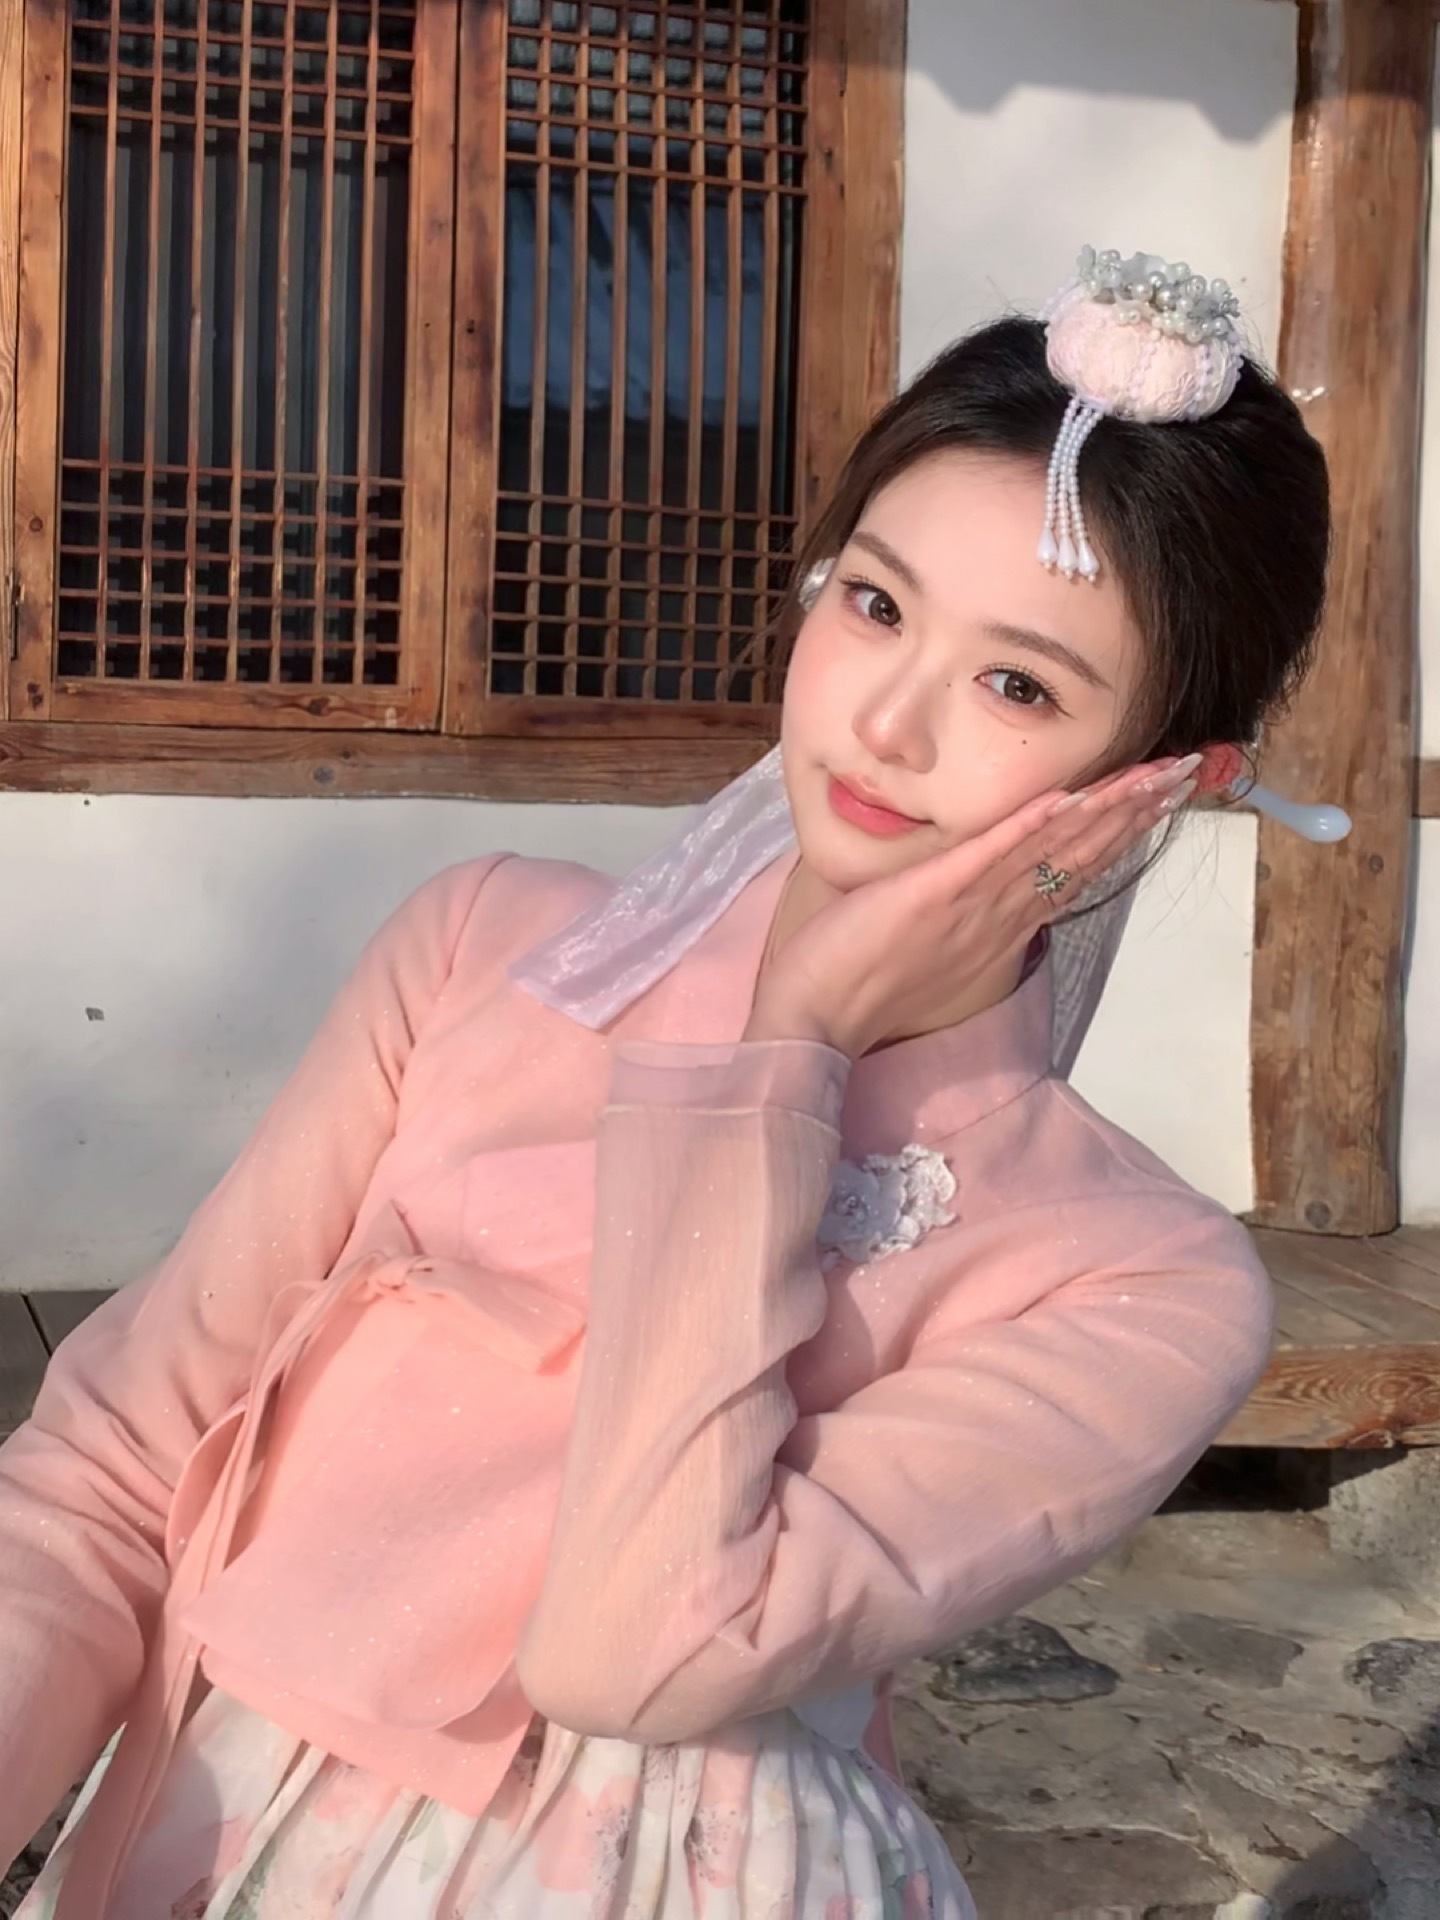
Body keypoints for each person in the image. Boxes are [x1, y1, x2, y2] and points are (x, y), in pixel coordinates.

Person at [0, 249, 1330, 1919]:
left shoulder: (1140, 1280)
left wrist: (785, 1051)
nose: (886, 723)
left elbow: (641, 1650)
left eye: (1018, 685)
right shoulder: (483, 953)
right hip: (203, 1838)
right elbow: (113, 1470)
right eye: (874, 604)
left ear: (1163, 784)